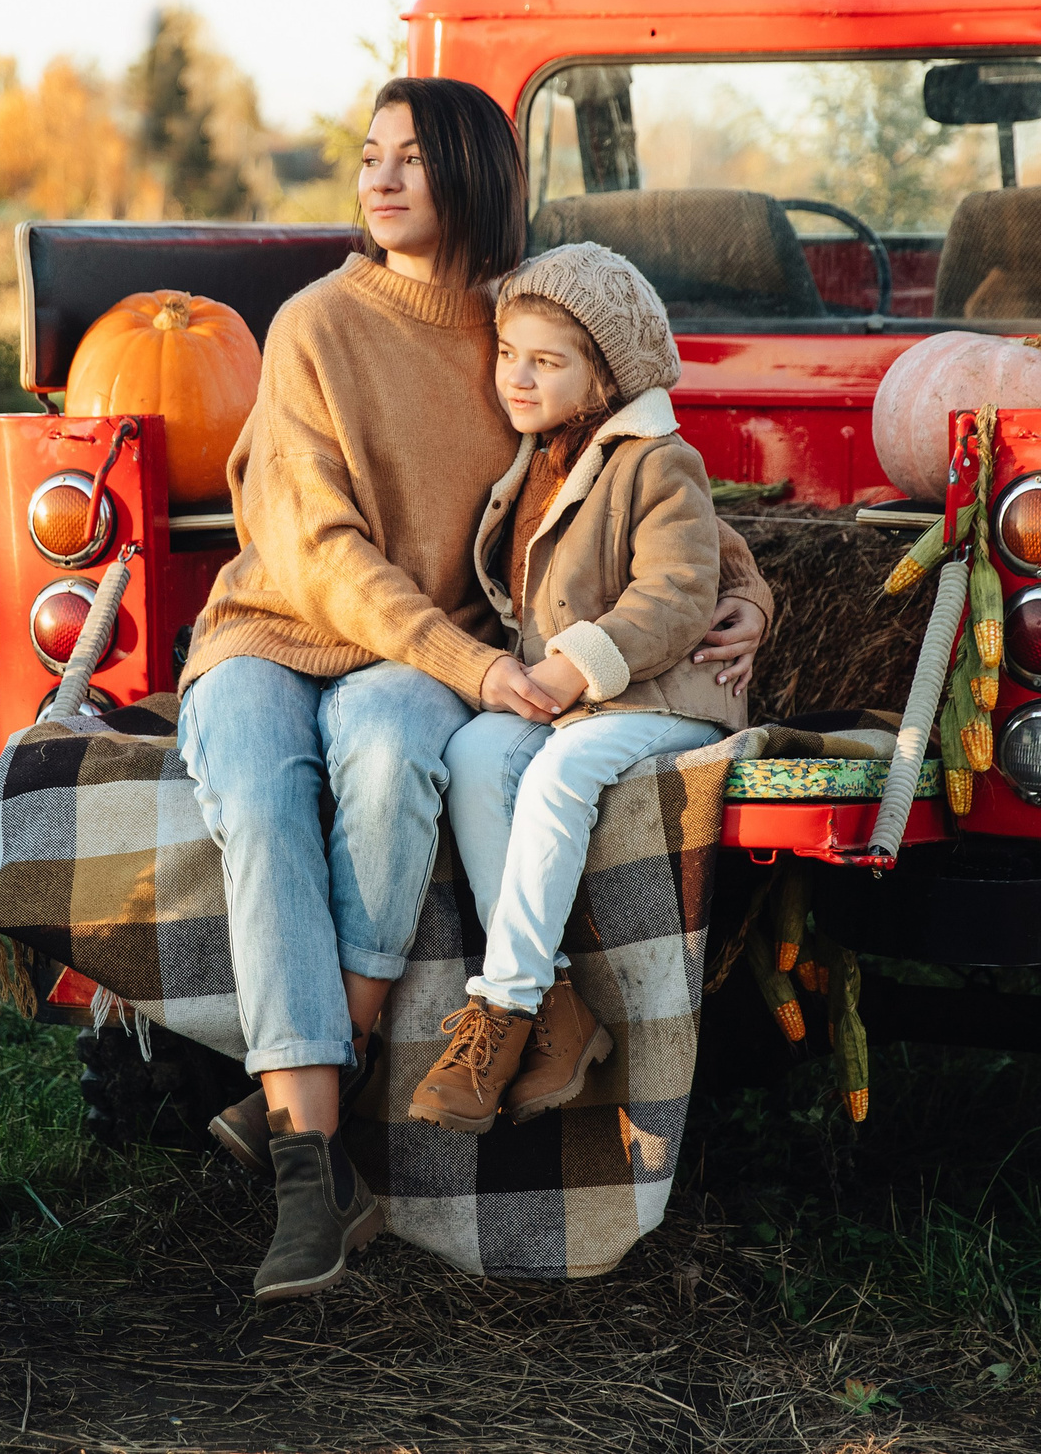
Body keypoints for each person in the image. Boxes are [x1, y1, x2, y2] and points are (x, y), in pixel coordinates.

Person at [174, 79, 770, 1303]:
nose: (380, 180)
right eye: (368, 157)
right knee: (257, 782)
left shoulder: (526, 329)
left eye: (412, 160)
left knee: (393, 758)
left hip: (422, 660)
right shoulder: (312, 327)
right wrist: (480, 668)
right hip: (276, 629)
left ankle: (297, 1119)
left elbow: (637, 470)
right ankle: (314, 1167)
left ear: (471, 176)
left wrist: (746, 597)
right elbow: (319, 552)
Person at [408, 243, 772, 1132]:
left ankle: (503, 1005)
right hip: (579, 698)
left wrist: (577, 665)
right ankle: (562, 1008)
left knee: (562, 772)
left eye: (548, 360)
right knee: (475, 749)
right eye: (509, 354)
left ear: (605, 376)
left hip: (667, 698)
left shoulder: (656, 459)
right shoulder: (529, 456)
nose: (518, 378)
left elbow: (682, 586)